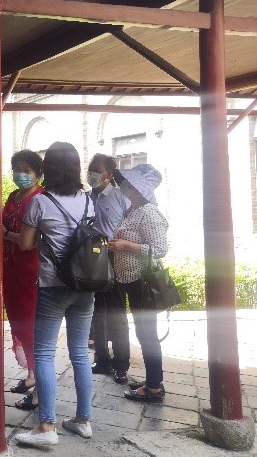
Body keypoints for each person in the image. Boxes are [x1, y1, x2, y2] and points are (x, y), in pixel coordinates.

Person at [13, 142, 95, 447]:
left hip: (52, 286)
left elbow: (25, 243)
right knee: (80, 354)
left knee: (45, 353)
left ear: (48, 169)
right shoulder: (88, 201)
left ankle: (47, 426)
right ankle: (83, 420)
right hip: (85, 287)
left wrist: (7, 233)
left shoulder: (40, 202)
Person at [110, 164, 169, 403]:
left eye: (129, 185)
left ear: (140, 189)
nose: (125, 188)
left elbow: (160, 250)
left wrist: (125, 245)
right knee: (144, 332)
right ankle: (153, 380)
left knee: (147, 334)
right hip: (129, 279)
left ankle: (154, 388)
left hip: (142, 281)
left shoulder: (149, 212)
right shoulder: (133, 210)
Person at [2, 149, 43, 400]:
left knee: (32, 326)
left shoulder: (40, 198)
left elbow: (33, 240)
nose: (20, 174)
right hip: (11, 269)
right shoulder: (13, 196)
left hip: (31, 271)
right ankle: (31, 374)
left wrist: (6, 234)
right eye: (17, 169)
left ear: (38, 174)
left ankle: (40, 385)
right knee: (18, 322)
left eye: (26, 170)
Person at [87, 154, 131, 383]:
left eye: (97, 170)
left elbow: (131, 227)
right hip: (90, 260)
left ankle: (121, 364)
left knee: (116, 312)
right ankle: (102, 359)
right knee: (96, 311)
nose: (92, 174)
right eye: (90, 169)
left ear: (109, 174)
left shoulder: (120, 197)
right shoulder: (85, 198)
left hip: (114, 258)